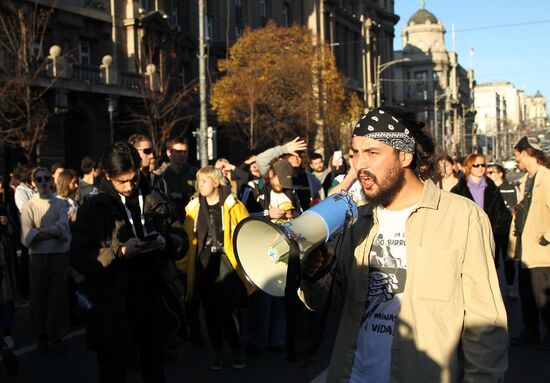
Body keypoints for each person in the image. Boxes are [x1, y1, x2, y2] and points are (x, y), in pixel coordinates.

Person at [299, 107, 507, 382]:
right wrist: (315, 272)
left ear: (405, 155)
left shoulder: (463, 218)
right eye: (355, 153)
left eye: (372, 153)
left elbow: (485, 324)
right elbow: (327, 302)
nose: (360, 164)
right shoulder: (357, 219)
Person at [70, 142, 187, 382]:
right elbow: (80, 257)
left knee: (155, 370)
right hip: (111, 305)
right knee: (113, 372)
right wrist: (120, 251)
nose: (129, 186)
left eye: (133, 179)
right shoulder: (94, 208)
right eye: (122, 181)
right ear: (108, 175)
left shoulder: (156, 198)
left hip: (153, 300)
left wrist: (166, 242)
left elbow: (182, 240)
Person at [181, 166, 249, 370]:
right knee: (209, 311)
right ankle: (217, 351)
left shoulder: (231, 204)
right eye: (198, 181)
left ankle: (236, 349)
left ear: (216, 182)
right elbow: (188, 238)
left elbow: (246, 230)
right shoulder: (193, 206)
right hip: (203, 263)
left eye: (203, 181)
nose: (199, 185)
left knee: (227, 309)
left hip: (225, 262)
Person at [155, 137, 203, 346]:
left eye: (185, 151)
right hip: (174, 235)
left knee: (193, 285)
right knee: (173, 286)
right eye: (178, 151)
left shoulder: (194, 174)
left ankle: (196, 329)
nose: (182, 155)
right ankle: (176, 329)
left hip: (194, 235)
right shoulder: (162, 177)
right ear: (169, 153)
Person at [20, 167, 71, 354]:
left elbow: (64, 230)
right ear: (33, 182)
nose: (43, 182)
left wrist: (41, 231)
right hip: (37, 257)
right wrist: (51, 232)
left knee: (58, 297)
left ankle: (56, 335)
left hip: (57, 255)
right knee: (38, 296)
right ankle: (41, 334)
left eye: (46, 178)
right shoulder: (29, 206)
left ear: (51, 180)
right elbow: (26, 237)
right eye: (39, 179)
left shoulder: (60, 204)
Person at [508, 136, 550, 350]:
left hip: (541, 250)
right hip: (525, 249)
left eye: (517, 155)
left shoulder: (547, 178)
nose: (517, 161)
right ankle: (531, 330)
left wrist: (546, 237)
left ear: (525, 153)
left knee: (544, 296)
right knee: (527, 294)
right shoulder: (526, 180)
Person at [451, 154, 512, 275]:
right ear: (468, 167)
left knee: (488, 275)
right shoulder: (458, 191)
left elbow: (503, 215)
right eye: (476, 165)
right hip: (467, 241)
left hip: (488, 240)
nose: (480, 168)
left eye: (483, 165)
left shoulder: (492, 188)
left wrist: (494, 234)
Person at [257, 137, 322, 209]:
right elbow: (260, 159)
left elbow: (319, 198)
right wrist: (284, 149)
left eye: (299, 155)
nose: (296, 158)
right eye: (291, 155)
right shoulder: (274, 174)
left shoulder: (310, 178)